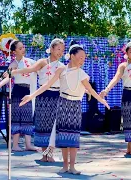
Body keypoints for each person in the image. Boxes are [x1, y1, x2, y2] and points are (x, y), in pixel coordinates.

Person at [19, 40, 110, 174]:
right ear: (72, 56)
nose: (82, 60)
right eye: (80, 58)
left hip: (75, 106)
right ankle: (65, 166)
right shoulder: (61, 69)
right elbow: (47, 85)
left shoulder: (82, 74)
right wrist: (31, 96)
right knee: (62, 137)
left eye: (84, 58)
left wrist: (102, 101)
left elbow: (91, 90)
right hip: (62, 105)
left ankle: (72, 166)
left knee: (73, 137)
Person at [11, 38, 65, 162]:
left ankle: (50, 154)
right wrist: (14, 71)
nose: (60, 52)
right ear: (51, 49)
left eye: (62, 50)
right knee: (42, 125)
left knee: (53, 126)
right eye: (58, 49)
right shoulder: (42, 62)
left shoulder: (62, 66)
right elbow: (29, 70)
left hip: (56, 96)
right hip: (42, 95)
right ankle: (44, 154)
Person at [0, 40, 38, 152]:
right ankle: (15, 145)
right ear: (14, 51)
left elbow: (39, 67)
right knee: (16, 117)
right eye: (20, 48)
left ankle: (28, 144)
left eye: (23, 47)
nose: (23, 49)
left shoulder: (30, 61)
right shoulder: (14, 64)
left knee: (28, 117)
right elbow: (8, 77)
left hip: (28, 90)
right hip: (18, 90)